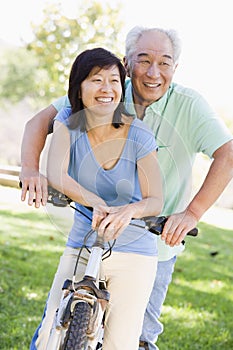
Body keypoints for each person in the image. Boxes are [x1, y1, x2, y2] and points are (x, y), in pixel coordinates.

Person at [20, 26, 233, 350]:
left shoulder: (187, 105)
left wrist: (191, 213)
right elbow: (41, 122)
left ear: (176, 67)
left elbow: (228, 153)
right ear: (127, 63)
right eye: (143, 60)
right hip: (88, 231)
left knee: (137, 337)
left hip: (154, 239)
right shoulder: (104, 86)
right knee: (54, 329)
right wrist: (31, 169)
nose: (153, 72)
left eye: (165, 62)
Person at [29, 47, 163, 350]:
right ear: (79, 87)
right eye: (96, 80)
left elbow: (155, 200)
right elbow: (57, 174)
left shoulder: (140, 135)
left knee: (121, 342)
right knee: (49, 332)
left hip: (135, 251)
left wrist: (128, 211)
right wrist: (96, 203)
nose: (107, 89)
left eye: (114, 81)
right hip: (82, 241)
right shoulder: (67, 121)